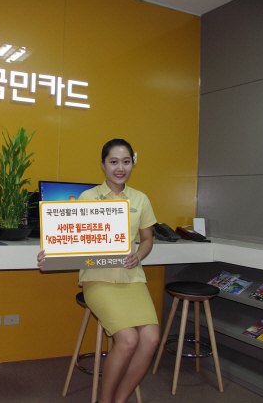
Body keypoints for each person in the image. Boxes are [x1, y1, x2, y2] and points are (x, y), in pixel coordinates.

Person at [37, 139, 159, 403]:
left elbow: (147, 239)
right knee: (128, 340)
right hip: (98, 279)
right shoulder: (88, 197)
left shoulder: (140, 199)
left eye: (126, 161)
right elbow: (73, 239)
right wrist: (52, 255)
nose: (120, 168)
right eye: (113, 162)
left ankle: (120, 399)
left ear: (132, 163)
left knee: (150, 339)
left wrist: (138, 256)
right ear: (103, 164)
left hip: (131, 278)